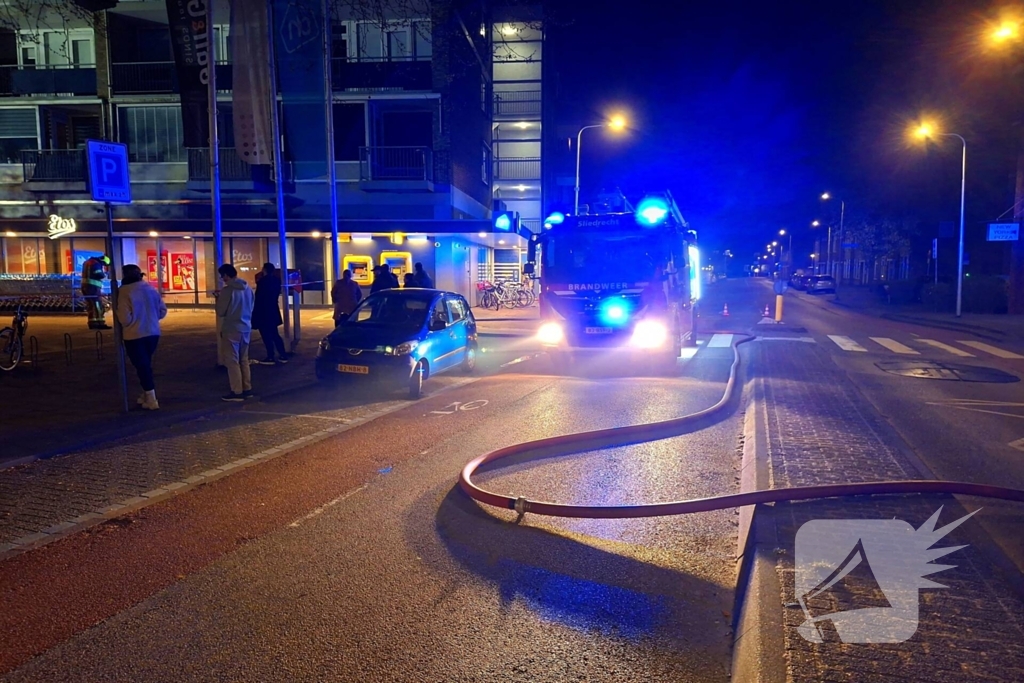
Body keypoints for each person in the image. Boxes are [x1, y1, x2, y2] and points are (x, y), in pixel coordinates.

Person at [116, 264, 167, 410]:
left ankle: (151, 398)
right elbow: (162, 311)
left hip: (134, 334)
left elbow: (125, 318)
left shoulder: (125, 291)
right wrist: (151, 318)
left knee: (142, 366)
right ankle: (146, 394)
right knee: (145, 364)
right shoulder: (150, 289)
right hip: (153, 332)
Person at [215, 264, 255, 402]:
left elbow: (221, 311)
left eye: (222, 276)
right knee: (244, 360)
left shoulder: (228, 291)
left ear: (226, 275)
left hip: (232, 328)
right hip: (246, 327)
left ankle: (236, 391)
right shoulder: (248, 288)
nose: (222, 279)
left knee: (232, 361)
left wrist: (218, 299)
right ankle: (247, 388)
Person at [252, 263, 288, 365]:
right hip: (273, 310)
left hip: (263, 312)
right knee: (275, 334)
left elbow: (258, 298)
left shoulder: (262, 282)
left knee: (265, 335)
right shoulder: (277, 281)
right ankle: (283, 355)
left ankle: (270, 356)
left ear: (265, 270)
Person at [81, 254, 112, 330]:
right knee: (97, 306)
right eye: (104, 264)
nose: (104, 266)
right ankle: (99, 323)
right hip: (93, 287)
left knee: (91, 305)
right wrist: (104, 275)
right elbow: (99, 274)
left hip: (86, 286)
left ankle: (92, 323)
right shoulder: (96, 263)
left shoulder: (87, 262)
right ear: (103, 261)